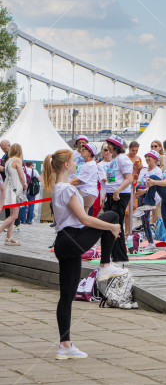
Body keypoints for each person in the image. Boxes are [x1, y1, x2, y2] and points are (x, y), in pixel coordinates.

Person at [44, 149, 128, 360]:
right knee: (111, 215)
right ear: (66, 166)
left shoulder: (57, 188)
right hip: (71, 239)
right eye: (74, 162)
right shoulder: (67, 190)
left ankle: (65, 344)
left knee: (67, 296)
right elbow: (85, 220)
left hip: (64, 243)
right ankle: (105, 265)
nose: (76, 164)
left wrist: (109, 228)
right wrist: (111, 227)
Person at [104, 135, 133, 263]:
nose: (107, 147)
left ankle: (120, 256)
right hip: (111, 193)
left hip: (119, 194)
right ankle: (114, 254)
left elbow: (129, 178)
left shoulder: (123, 159)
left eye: (109, 144)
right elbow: (111, 179)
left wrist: (118, 190)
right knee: (110, 224)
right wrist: (105, 194)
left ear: (115, 146)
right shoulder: (114, 160)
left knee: (116, 224)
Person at [1, 143, 26, 244]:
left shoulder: (8, 161)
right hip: (16, 191)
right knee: (14, 216)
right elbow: (21, 175)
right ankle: (6, 235)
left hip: (10, 189)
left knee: (12, 215)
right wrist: (25, 185)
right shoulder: (17, 160)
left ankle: (9, 237)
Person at [70, 143, 99, 214]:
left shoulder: (90, 165)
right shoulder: (86, 164)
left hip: (86, 192)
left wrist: (63, 185)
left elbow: (77, 181)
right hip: (87, 192)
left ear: (89, 153)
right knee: (84, 217)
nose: (81, 151)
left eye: (83, 150)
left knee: (66, 198)